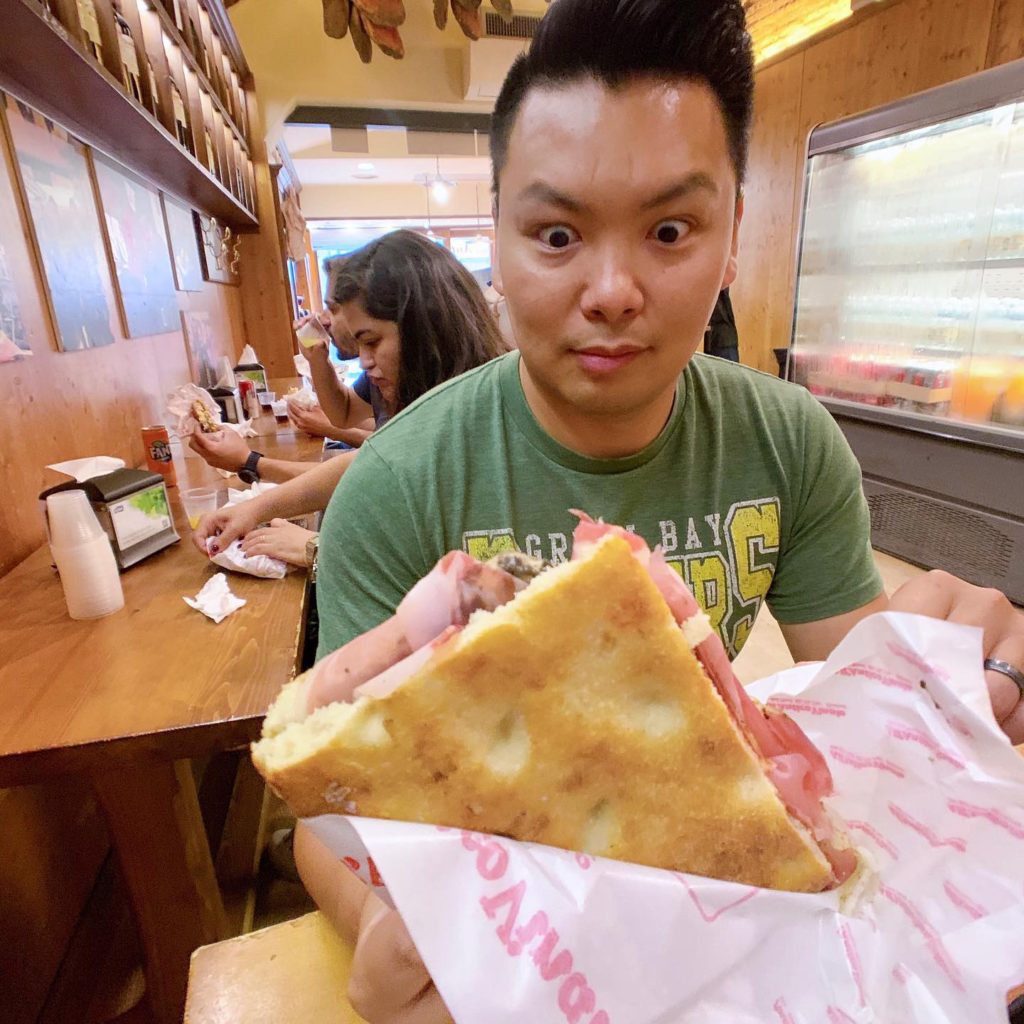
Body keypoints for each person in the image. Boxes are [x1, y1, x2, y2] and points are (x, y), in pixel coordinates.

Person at [296, 2, 1024, 1021]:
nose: (612, 289)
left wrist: (951, 681)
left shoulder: (787, 440)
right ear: (494, 242)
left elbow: (848, 730)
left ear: (731, 238)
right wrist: (386, 929)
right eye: (556, 233)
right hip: (512, 912)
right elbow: (330, 813)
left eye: (669, 230)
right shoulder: (400, 479)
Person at [192, 229, 507, 566]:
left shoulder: (486, 410)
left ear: (425, 328)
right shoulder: (432, 403)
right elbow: (373, 463)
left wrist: (317, 549)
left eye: (371, 342)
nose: (365, 361)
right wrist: (253, 507)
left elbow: (478, 565)